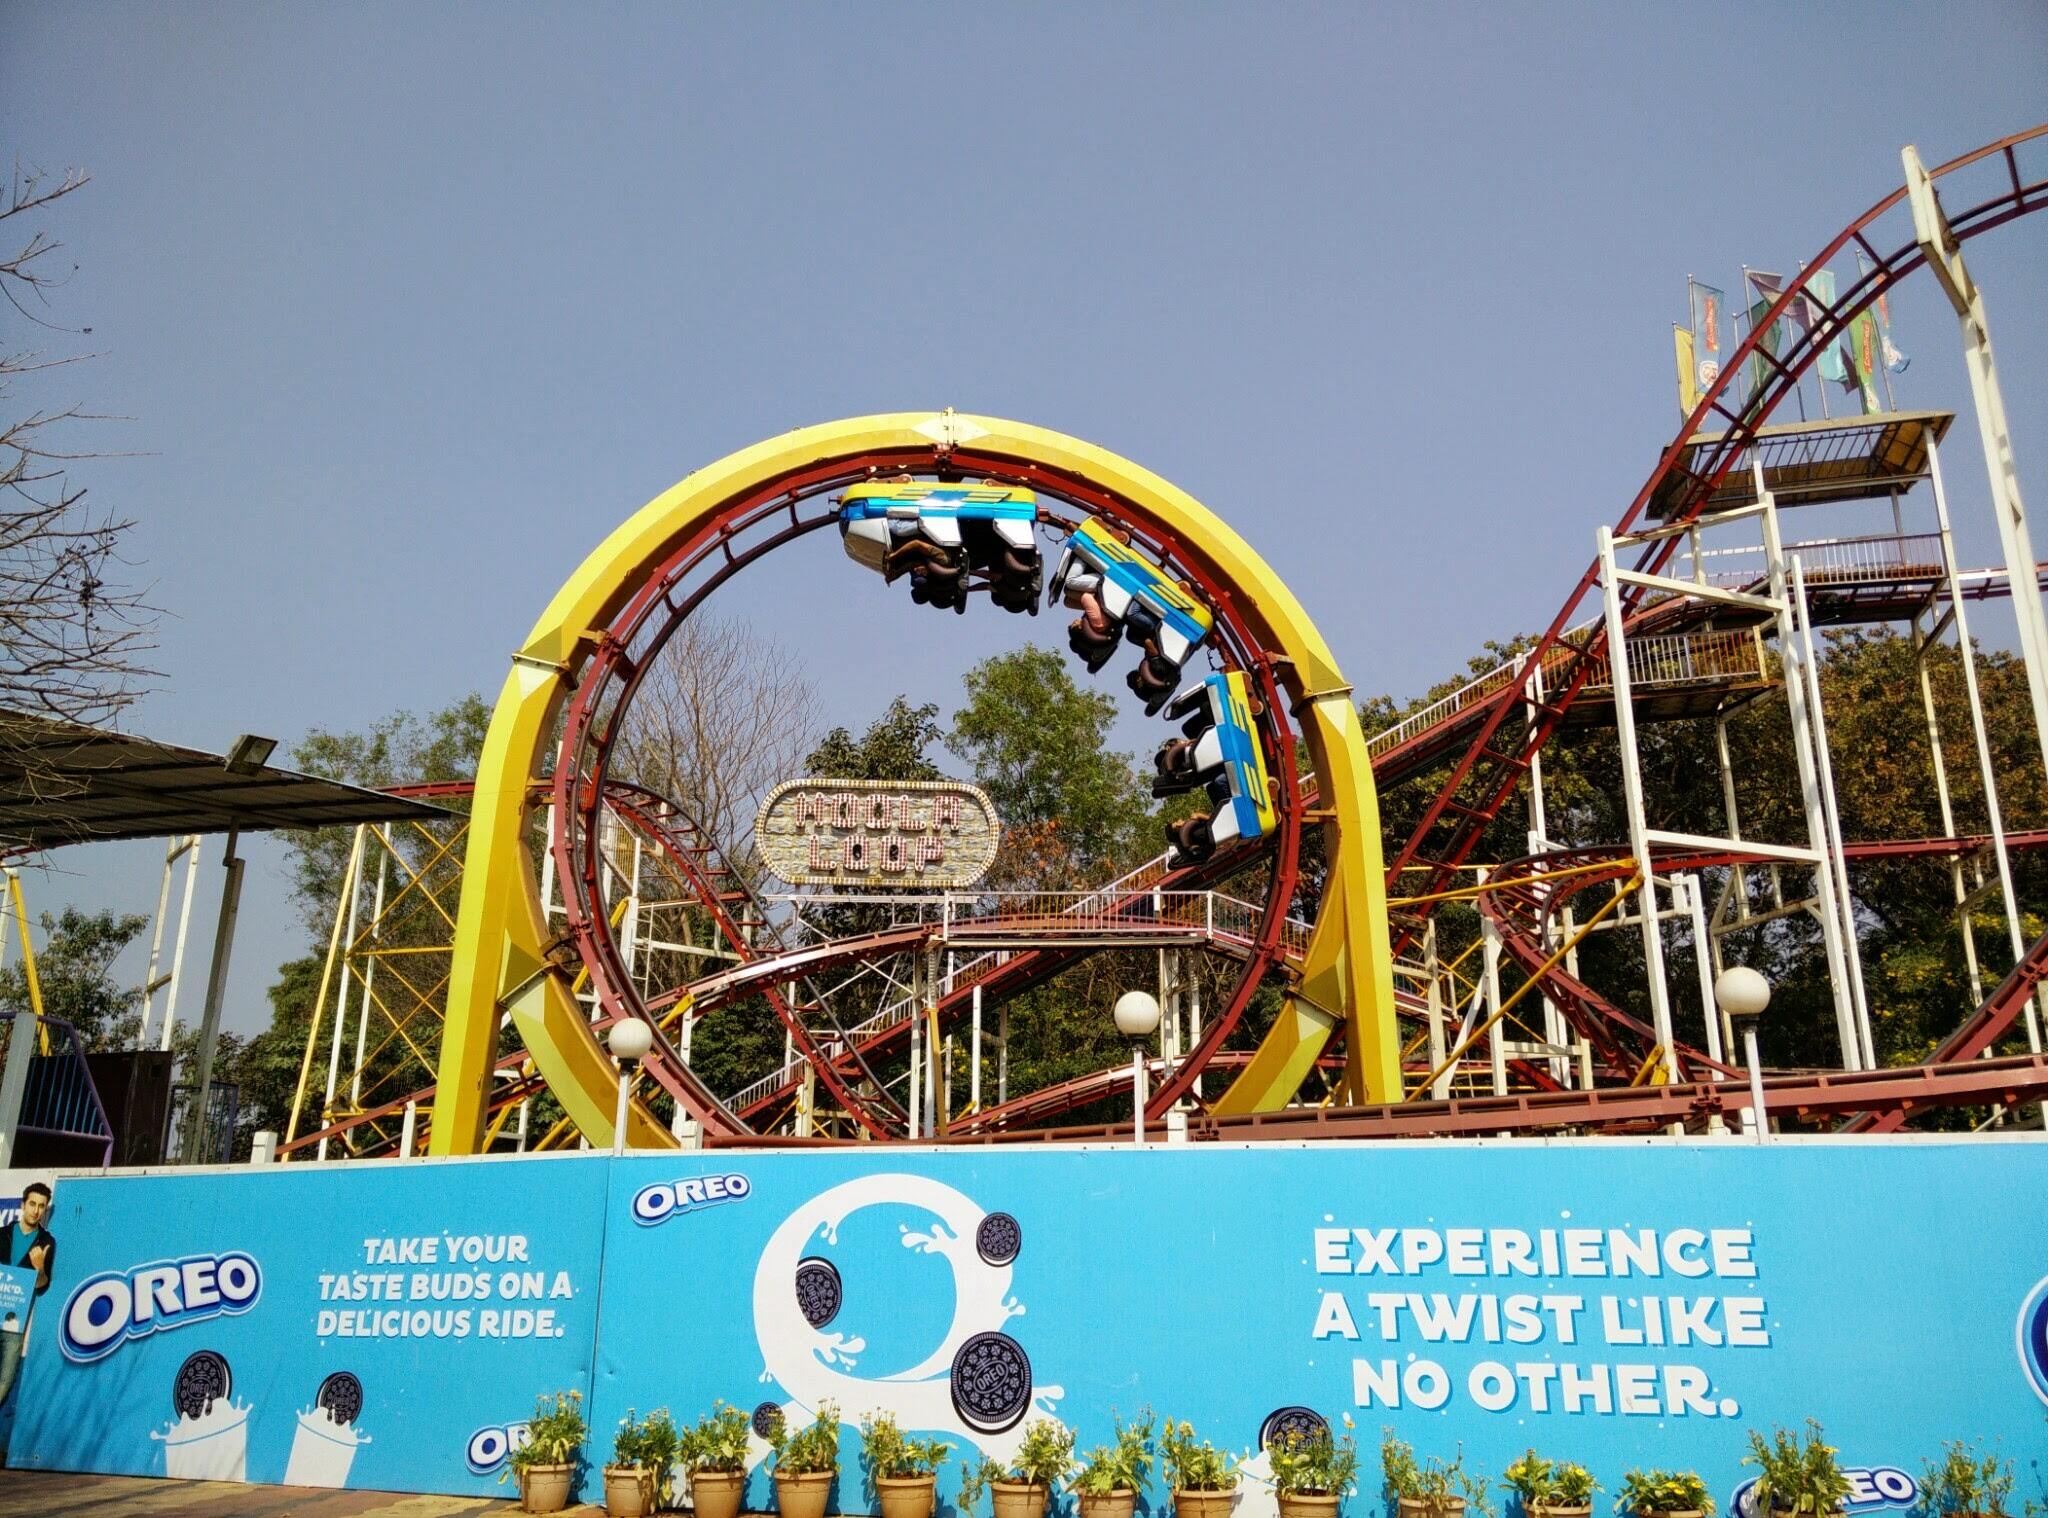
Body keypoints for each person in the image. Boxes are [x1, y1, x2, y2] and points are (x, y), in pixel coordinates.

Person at [0, 1182, 55, 1412]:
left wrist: (40, 1268)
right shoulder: (2, 1234)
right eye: (32, 1204)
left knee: (5, 1380)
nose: (36, 1210)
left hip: (14, 1324)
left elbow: (42, 1286)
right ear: (23, 1205)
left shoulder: (46, 1242)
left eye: (42, 1206)